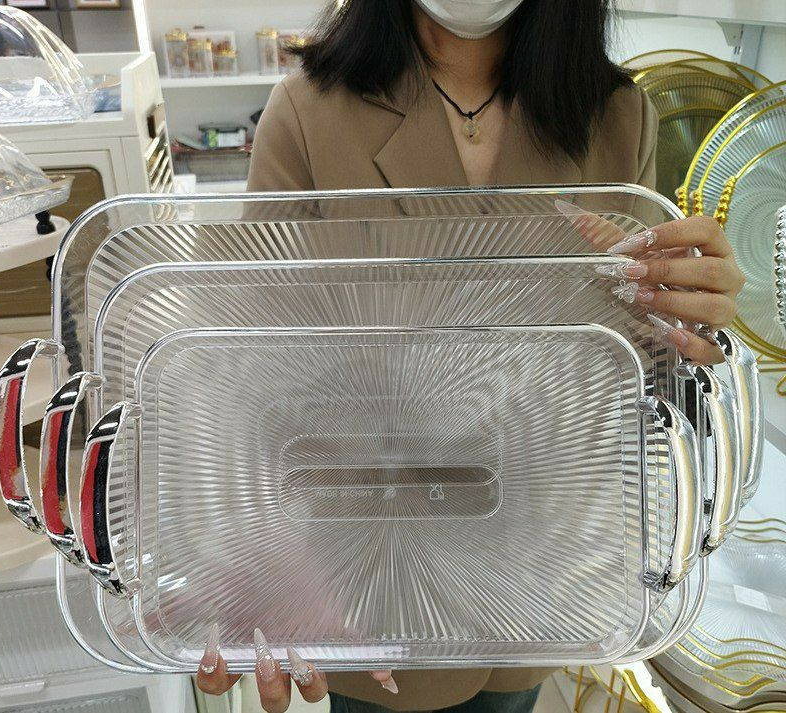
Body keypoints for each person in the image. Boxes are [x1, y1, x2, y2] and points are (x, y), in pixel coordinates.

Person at [197, 0, 745, 710]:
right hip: (369, 583)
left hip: (543, 584)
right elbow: (250, 367)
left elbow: (629, 367)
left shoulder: (618, 116)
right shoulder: (308, 112)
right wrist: (249, 559)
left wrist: (693, 319)